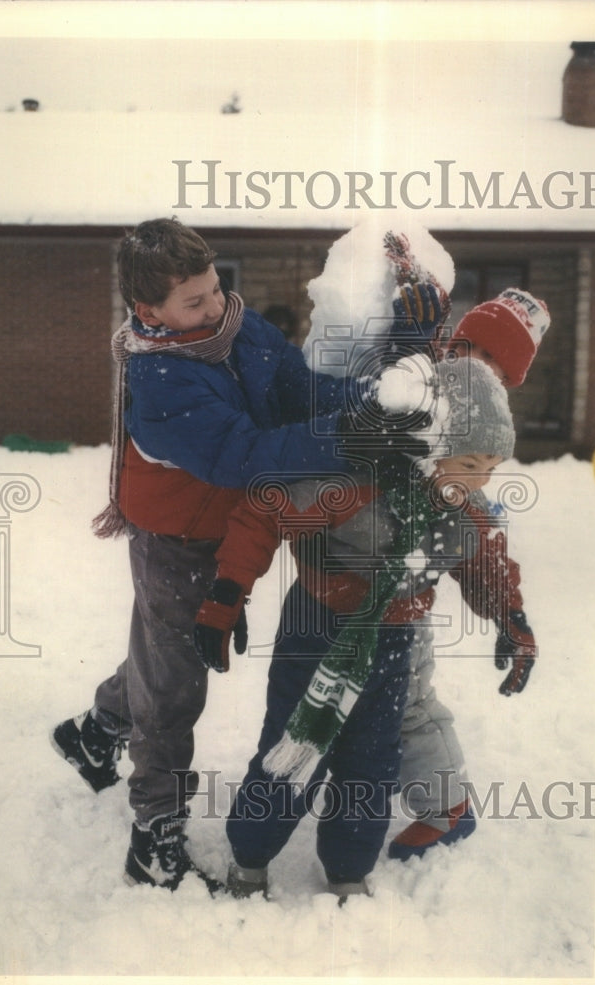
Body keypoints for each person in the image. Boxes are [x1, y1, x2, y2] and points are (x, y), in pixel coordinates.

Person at [48, 217, 431, 892]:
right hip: (176, 541)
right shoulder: (160, 379)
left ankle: (98, 726)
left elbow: (297, 389)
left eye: (213, 289)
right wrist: (350, 437)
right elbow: (242, 455)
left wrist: (376, 408)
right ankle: (153, 833)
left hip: (233, 527)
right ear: (149, 311)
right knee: (173, 685)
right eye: (192, 302)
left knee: (167, 648)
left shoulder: (238, 328)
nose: (212, 306)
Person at [193, 355, 521, 901]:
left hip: (392, 639)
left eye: (491, 467)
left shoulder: (462, 509)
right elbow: (264, 512)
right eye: (468, 464)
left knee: (372, 757)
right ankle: (250, 859)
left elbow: (486, 560)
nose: (478, 482)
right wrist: (228, 593)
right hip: (316, 627)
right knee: (294, 748)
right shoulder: (353, 484)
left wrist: (513, 618)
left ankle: (348, 868)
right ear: (431, 447)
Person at [385, 283, 550, 860]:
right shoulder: (412, 390)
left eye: (497, 372)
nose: (479, 373)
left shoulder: (474, 441)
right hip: (347, 590)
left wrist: (512, 612)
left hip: (403, 603)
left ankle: (447, 807)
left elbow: (479, 541)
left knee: (408, 701)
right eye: (472, 353)